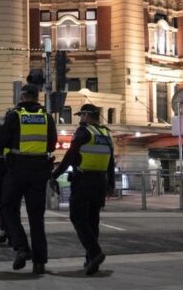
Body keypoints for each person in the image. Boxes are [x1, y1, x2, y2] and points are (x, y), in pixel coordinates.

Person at [0, 85, 57, 274]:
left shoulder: (15, 116)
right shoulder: (47, 117)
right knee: (36, 217)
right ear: (37, 97)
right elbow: (52, 143)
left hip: (17, 169)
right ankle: (40, 262)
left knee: (9, 207)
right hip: (39, 171)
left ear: (24, 96)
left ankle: (21, 248)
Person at [51, 103, 115, 275]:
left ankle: (95, 253)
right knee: (93, 220)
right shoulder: (106, 134)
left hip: (84, 181)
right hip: (100, 181)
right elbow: (111, 161)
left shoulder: (84, 132)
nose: (80, 119)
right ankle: (90, 260)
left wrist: (54, 175)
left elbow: (70, 156)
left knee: (77, 217)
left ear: (86, 115)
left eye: (81, 115)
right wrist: (111, 185)